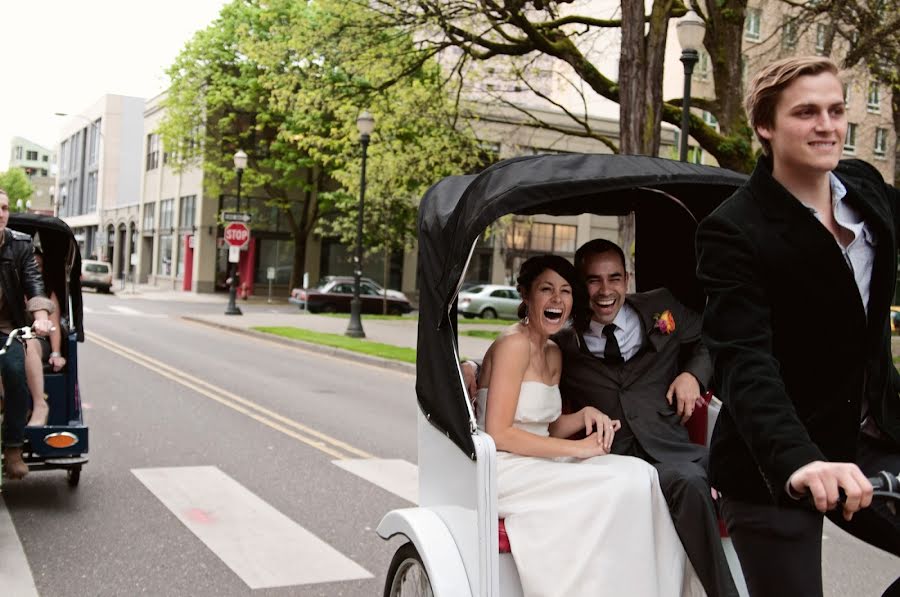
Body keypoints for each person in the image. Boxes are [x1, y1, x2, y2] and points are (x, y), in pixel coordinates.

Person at [696, 56, 900, 597]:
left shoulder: (866, 191)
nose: (827, 125)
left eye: (835, 110)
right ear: (766, 125)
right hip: (774, 457)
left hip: (871, 437)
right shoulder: (734, 229)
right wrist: (800, 460)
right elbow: (744, 359)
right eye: (806, 112)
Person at [476, 254, 704, 597]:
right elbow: (501, 433)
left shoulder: (554, 351)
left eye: (565, 291)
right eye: (546, 290)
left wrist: (585, 417)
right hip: (506, 469)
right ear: (525, 295)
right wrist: (578, 448)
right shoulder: (513, 344)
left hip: (540, 460)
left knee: (643, 475)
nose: (557, 300)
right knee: (619, 484)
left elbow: (545, 428)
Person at [554, 239, 738, 597]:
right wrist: (473, 367)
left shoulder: (660, 307)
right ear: (579, 284)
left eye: (614, 278)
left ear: (628, 279)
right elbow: (523, 361)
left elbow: (714, 336)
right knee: (688, 481)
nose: (605, 290)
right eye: (593, 280)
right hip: (615, 459)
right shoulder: (564, 341)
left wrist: (693, 376)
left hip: (672, 443)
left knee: (752, 469)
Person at [0, 189, 55, 479]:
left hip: (6, 328)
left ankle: (12, 449)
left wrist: (42, 317)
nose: (0, 213)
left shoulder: (20, 245)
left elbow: (34, 283)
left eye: (4, 208)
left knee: (14, 369)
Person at [23, 245, 66, 427]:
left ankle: (40, 404)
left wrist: (56, 354)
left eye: (38, 266)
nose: (34, 269)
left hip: (38, 340)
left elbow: (54, 324)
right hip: (9, 337)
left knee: (28, 342)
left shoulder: (47, 292)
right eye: (30, 265)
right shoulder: (10, 284)